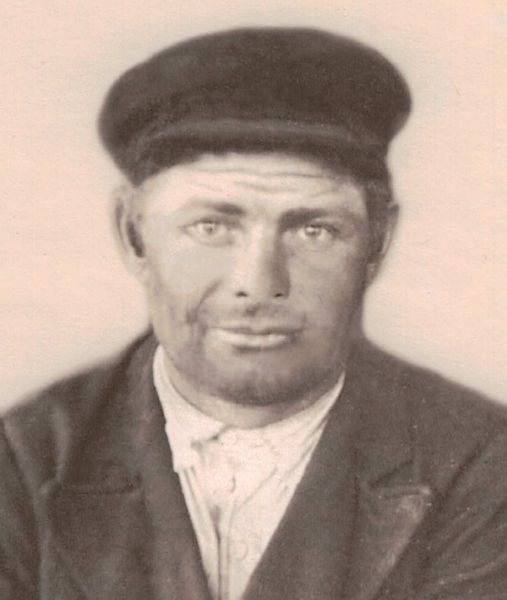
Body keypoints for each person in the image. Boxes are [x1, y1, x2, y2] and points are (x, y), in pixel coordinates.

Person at [1, 27, 506, 600]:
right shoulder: (21, 463)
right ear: (134, 235)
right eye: (211, 227)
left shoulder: (482, 462)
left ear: (378, 241)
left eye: (314, 231)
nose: (260, 285)